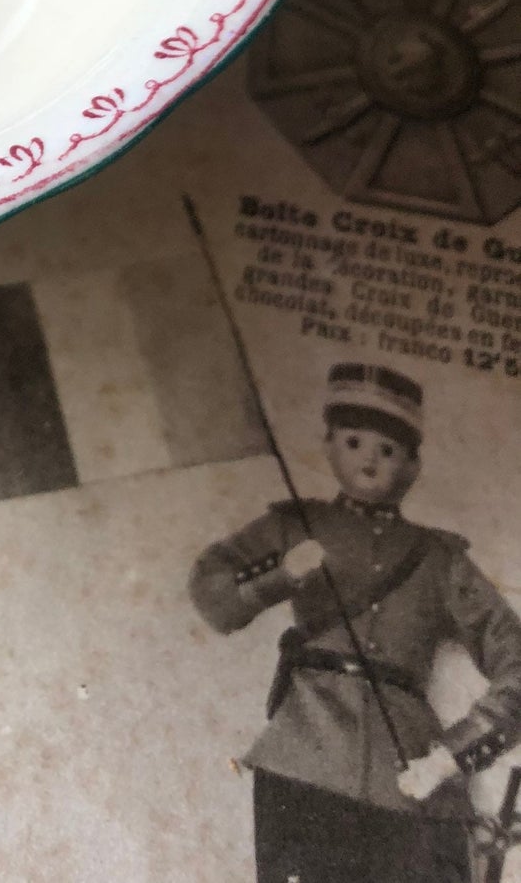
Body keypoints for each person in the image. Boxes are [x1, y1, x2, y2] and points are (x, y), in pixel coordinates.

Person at [189, 362, 521, 883]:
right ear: (327, 445)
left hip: (411, 777)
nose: (369, 458)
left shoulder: (439, 558)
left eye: (388, 450)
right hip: (305, 762)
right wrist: (277, 577)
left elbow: (517, 663)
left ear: (413, 466)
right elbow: (212, 596)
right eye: (353, 441)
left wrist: (453, 755)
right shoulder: (296, 524)